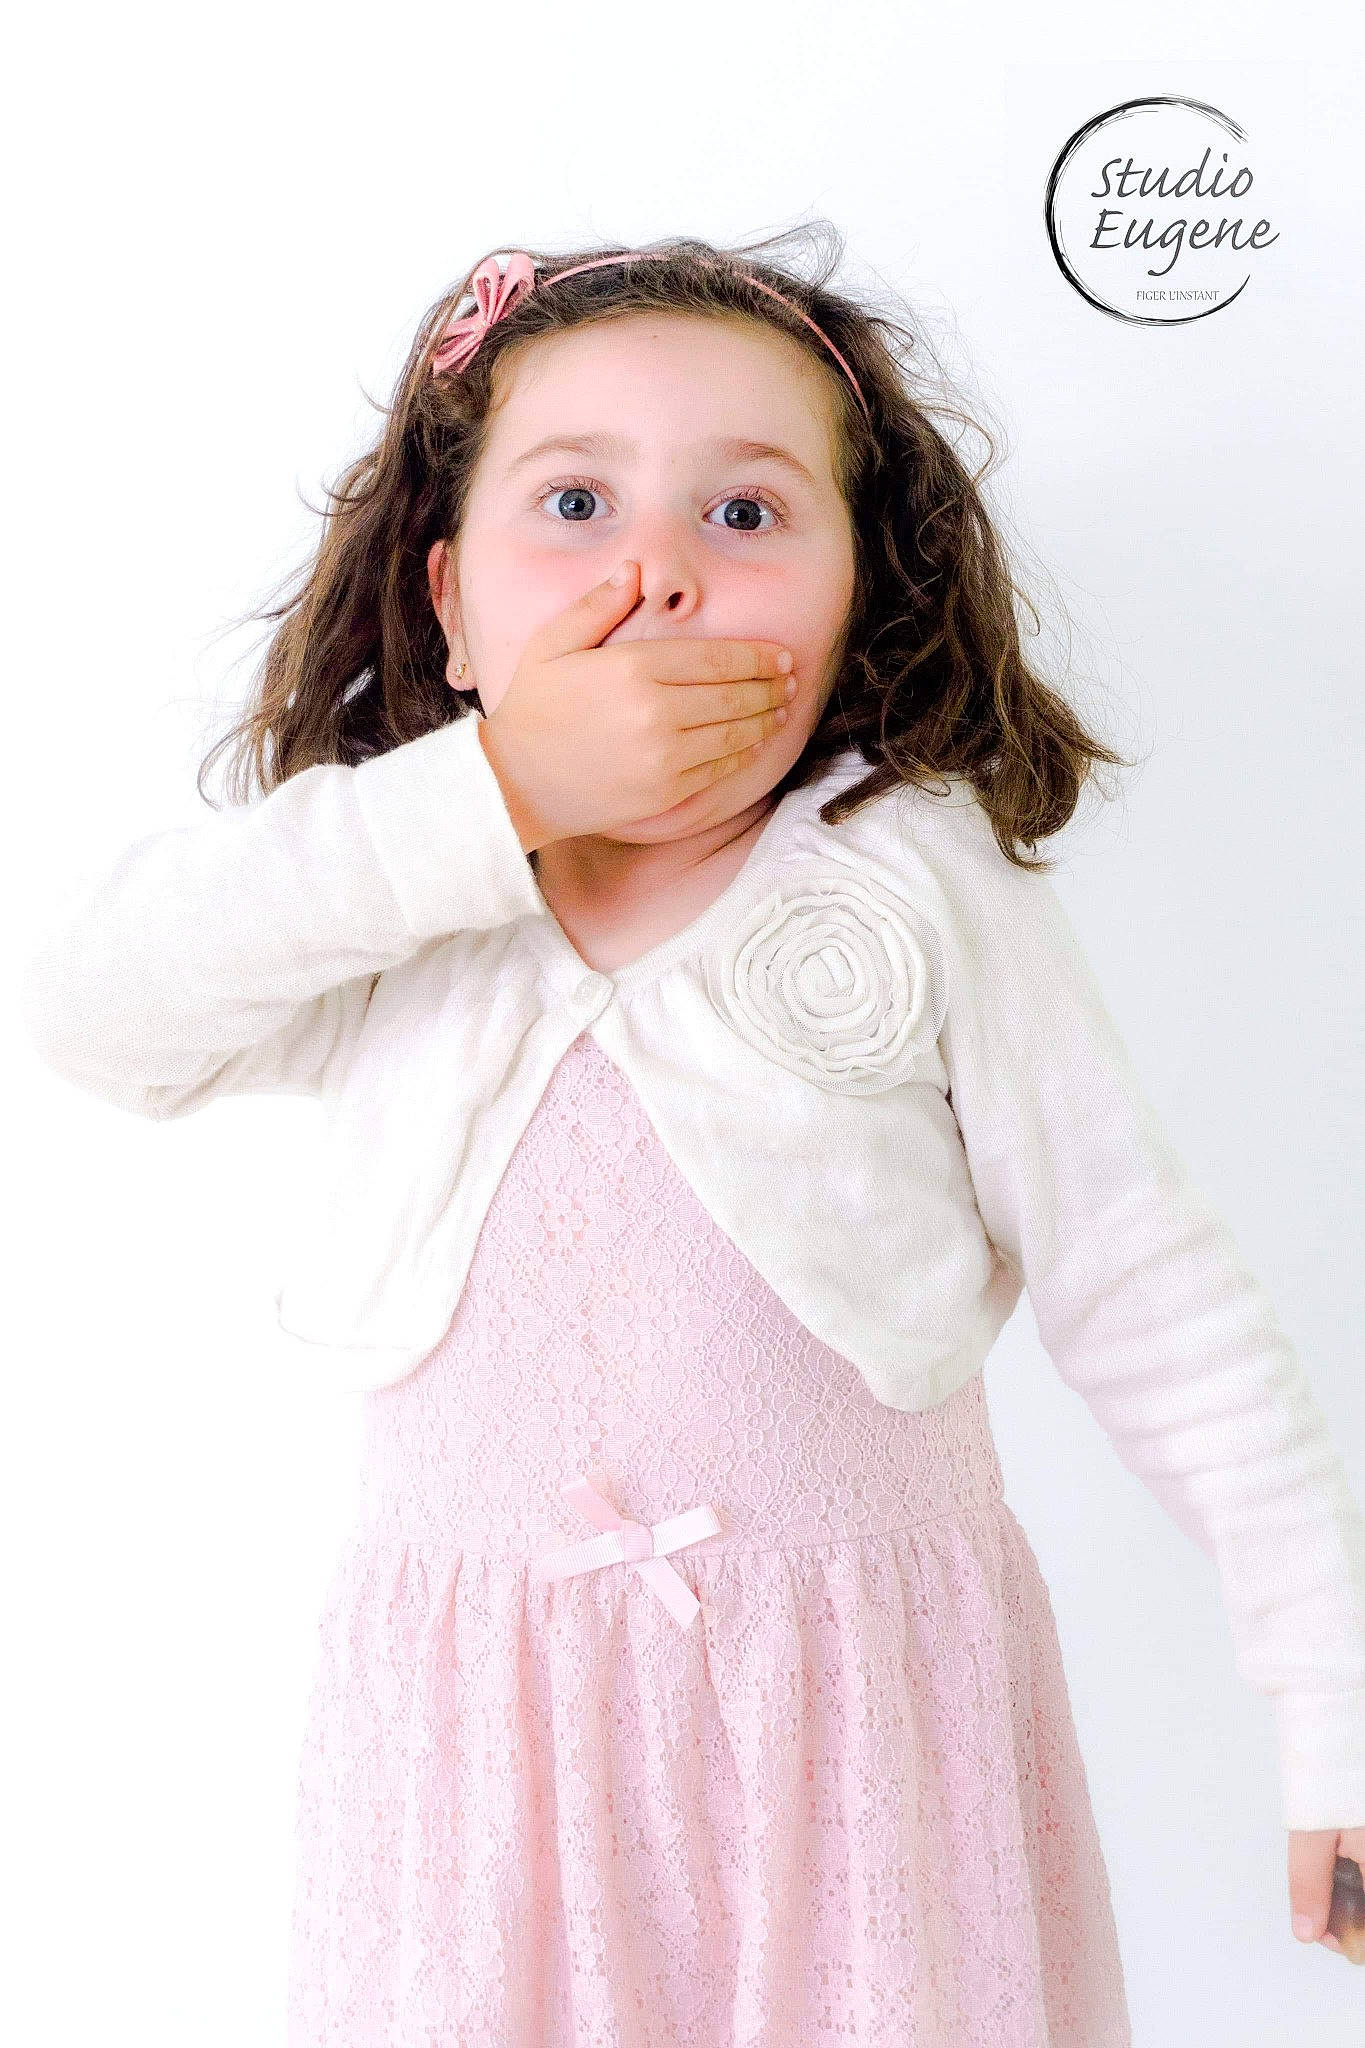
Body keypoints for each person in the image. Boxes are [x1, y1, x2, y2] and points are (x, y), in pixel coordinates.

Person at [20, 225, 1365, 2043]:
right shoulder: (391, 906)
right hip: (483, 1781)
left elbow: (1148, 1291)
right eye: (573, 504)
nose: (653, 572)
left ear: (858, 598)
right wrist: (496, 790)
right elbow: (93, 1010)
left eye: (743, 513)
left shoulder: (911, 876)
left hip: (860, 1746)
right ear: (448, 601)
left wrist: (1333, 1709)